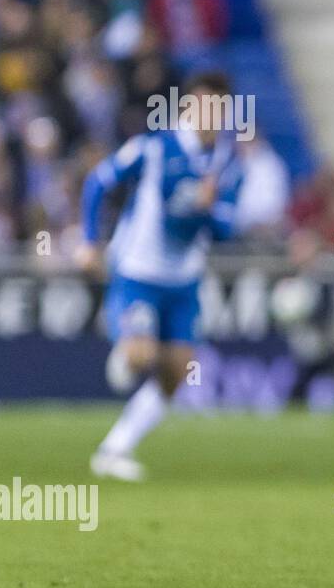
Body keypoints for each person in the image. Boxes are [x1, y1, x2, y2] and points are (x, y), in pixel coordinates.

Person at [74, 71, 244, 481]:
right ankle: (126, 350)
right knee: (141, 356)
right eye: (204, 105)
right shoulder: (154, 147)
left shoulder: (227, 162)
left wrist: (208, 208)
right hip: (138, 271)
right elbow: (99, 181)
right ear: (187, 106)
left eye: (219, 108)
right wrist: (90, 241)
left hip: (184, 280)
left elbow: (225, 230)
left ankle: (115, 448)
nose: (211, 116)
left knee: (177, 370)